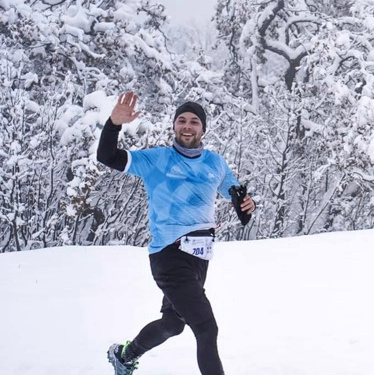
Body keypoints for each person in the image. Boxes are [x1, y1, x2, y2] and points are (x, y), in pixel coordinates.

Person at [96, 92, 255, 375]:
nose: (187, 125)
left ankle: (124, 356)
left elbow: (239, 200)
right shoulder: (157, 158)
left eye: (194, 121)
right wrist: (113, 125)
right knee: (206, 328)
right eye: (181, 120)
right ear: (174, 126)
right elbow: (107, 156)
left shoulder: (215, 164)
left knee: (173, 324)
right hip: (169, 255)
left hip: (200, 256)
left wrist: (246, 204)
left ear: (202, 129)